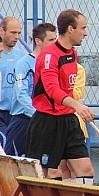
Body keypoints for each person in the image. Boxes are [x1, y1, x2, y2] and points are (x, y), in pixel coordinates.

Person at [25, 9, 95, 182]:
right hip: (48, 120)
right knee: (51, 173)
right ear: (70, 29)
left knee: (85, 169)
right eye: (83, 28)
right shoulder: (49, 55)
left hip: (68, 120)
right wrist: (78, 106)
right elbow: (52, 89)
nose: (85, 33)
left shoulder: (72, 53)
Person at [11, 22, 57, 156]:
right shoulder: (24, 64)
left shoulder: (52, 62)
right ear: (38, 41)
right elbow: (21, 94)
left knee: (45, 162)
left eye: (55, 39)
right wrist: (37, 113)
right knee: (18, 162)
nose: (54, 43)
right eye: (50, 40)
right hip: (24, 119)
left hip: (45, 119)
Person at [0, 17, 27, 155]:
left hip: (16, 113)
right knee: (3, 145)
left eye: (19, 33)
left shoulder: (21, 56)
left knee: (16, 151)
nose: (17, 37)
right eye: (13, 32)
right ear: (2, 31)